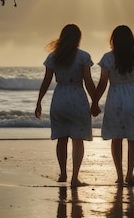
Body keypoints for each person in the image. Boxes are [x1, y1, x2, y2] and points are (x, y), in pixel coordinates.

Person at [91, 25, 134, 186]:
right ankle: (130, 174)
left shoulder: (108, 57)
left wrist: (94, 102)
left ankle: (119, 176)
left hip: (115, 98)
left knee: (117, 138)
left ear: (114, 40)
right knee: (132, 138)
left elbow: (103, 82)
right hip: (133, 97)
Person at [36, 24, 96, 187]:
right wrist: (95, 101)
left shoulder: (53, 57)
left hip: (60, 97)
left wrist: (39, 102)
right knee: (78, 140)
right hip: (77, 96)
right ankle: (75, 177)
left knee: (61, 139)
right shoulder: (83, 56)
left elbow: (46, 81)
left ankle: (63, 174)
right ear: (78, 38)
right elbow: (88, 81)